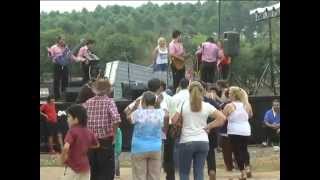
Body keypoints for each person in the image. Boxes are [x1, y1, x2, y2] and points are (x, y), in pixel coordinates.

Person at [174, 81, 226, 180]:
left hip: (186, 141)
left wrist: (181, 122)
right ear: (202, 91)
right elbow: (222, 118)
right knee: (199, 172)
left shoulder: (183, 104)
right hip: (203, 141)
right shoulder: (206, 105)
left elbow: (174, 120)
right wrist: (209, 126)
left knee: (184, 172)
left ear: (189, 92)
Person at [82, 79, 121, 180]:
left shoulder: (88, 102)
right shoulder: (109, 102)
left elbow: (81, 118)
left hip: (90, 141)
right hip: (105, 139)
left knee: (93, 169)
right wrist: (115, 135)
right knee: (106, 170)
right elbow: (116, 119)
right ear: (109, 90)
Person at [128, 91, 169, 180]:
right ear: (154, 102)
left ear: (143, 102)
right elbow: (166, 115)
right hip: (155, 147)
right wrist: (158, 104)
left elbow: (128, 117)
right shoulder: (160, 113)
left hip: (138, 148)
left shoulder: (138, 113)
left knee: (139, 176)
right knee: (154, 176)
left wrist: (135, 106)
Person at [60, 104, 99, 180]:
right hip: (86, 167)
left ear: (76, 119)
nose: (67, 119)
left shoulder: (72, 131)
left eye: (68, 117)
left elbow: (65, 147)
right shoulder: (89, 131)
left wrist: (62, 159)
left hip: (73, 168)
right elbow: (97, 145)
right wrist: (85, 146)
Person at [223, 87, 253, 180]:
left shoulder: (229, 105)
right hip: (246, 130)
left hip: (234, 130)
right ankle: (247, 168)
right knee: (244, 149)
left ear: (233, 95)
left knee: (236, 152)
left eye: (230, 93)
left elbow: (223, 117)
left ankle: (242, 173)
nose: (228, 95)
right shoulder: (247, 104)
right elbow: (250, 115)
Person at [163, 78, 190, 180]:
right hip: (191, 124)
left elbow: (171, 113)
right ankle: (186, 166)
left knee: (177, 145)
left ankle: (177, 166)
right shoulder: (193, 96)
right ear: (188, 85)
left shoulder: (174, 97)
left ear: (179, 85)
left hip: (177, 123)